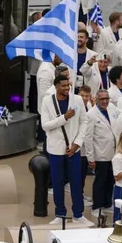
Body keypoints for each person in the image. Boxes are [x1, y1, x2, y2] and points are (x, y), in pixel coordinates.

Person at [41, 75, 92, 226]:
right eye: (63, 86)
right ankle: (60, 213)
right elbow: (45, 125)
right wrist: (64, 117)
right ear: (56, 86)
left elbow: (84, 122)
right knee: (57, 183)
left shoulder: (76, 100)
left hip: (73, 149)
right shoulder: (47, 101)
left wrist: (77, 143)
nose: (66, 88)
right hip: (55, 149)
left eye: (68, 85)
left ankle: (78, 214)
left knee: (76, 182)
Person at [85, 89, 120, 217]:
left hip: (113, 153)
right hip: (100, 154)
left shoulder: (112, 109)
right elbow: (88, 138)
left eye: (107, 98)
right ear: (96, 99)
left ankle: (107, 204)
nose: (105, 101)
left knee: (110, 180)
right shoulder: (91, 114)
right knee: (100, 181)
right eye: (102, 99)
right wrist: (91, 158)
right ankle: (97, 206)